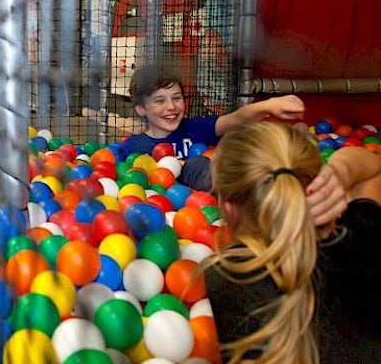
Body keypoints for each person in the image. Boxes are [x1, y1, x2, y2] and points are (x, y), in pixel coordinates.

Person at [203, 121, 381, 364]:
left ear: (228, 209)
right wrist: (340, 172)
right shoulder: (356, 239)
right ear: (316, 185)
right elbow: (373, 171)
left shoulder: (222, 276)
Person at [118, 64, 305, 191]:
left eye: (177, 98)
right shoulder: (133, 148)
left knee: (200, 164)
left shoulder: (196, 128)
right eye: (160, 101)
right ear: (141, 108)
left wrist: (267, 105)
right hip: (165, 214)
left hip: (211, 205)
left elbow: (236, 119)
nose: (171, 107)